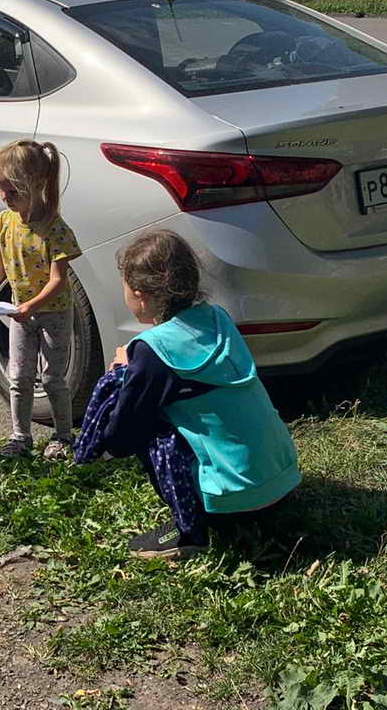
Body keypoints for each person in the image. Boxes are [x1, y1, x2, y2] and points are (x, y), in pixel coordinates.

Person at [74, 229, 301, 561]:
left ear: (139, 295)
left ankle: (189, 532)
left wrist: (122, 375)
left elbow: (120, 439)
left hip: (232, 501)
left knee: (151, 430)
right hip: (281, 480)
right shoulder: (218, 319)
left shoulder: (152, 353)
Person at [0, 140, 81, 461]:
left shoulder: (55, 230)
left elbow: (58, 281)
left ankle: (63, 436)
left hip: (52, 313)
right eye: (1, 190)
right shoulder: (2, 224)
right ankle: (19, 436)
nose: (4, 197)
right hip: (19, 313)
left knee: (53, 378)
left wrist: (32, 305)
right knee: (19, 376)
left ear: (36, 185)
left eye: (11, 192)